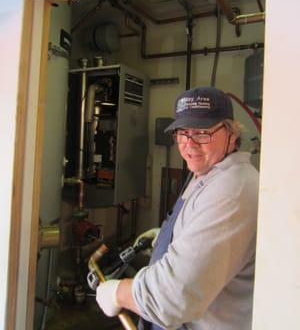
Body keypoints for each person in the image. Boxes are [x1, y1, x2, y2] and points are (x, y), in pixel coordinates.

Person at [96, 86, 259, 330]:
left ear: (231, 133)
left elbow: (171, 296)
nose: (189, 144)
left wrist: (117, 292)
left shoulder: (233, 187)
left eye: (202, 133)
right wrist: (166, 235)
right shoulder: (208, 172)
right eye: (182, 133)